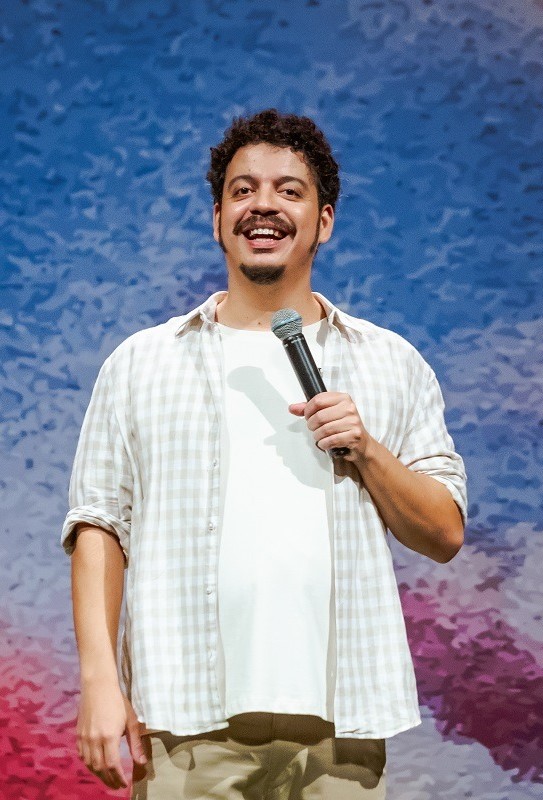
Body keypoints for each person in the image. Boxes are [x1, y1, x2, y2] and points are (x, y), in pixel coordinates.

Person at [62, 109, 467, 799]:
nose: (263, 205)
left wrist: (366, 450)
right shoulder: (141, 363)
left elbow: (444, 532)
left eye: (289, 190)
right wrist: (100, 681)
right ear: (219, 218)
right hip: (185, 721)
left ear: (323, 221)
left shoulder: (391, 363)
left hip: (343, 727)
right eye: (243, 190)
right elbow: (99, 523)